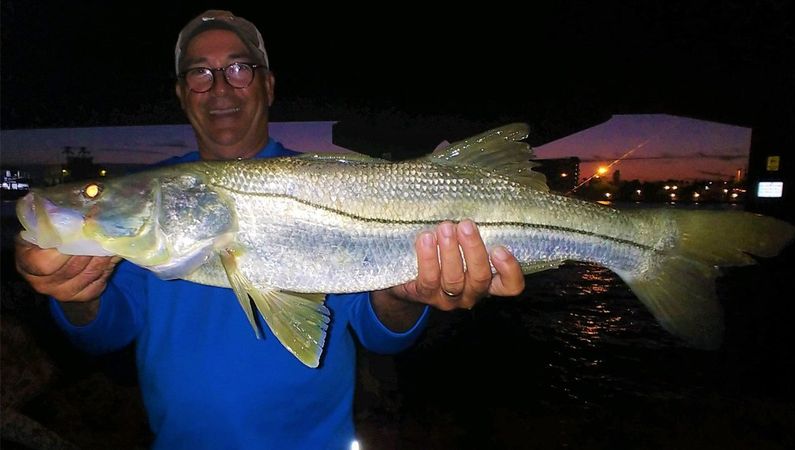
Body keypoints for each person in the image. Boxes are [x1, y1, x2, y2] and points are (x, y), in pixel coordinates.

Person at [15, 10, 526, 449]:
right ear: (181, 93)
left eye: (239, 68)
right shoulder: (154, 202)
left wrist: (408, 295)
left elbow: (379, 332)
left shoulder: (324, 181)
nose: (220, 88)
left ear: (268, 84)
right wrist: (77, 295)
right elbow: (107, 332)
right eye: (200, 73)